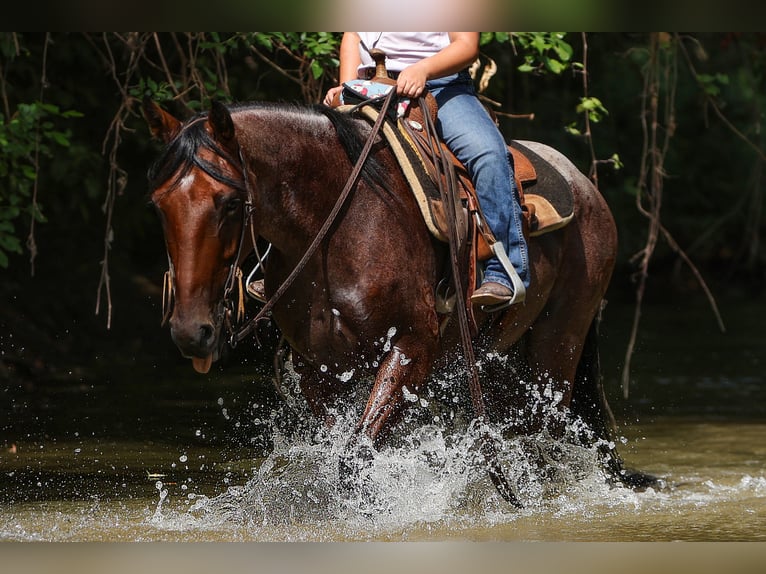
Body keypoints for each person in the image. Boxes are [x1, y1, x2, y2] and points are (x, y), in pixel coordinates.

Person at [324, 32, 529, 309]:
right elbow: (353, 33)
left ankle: (506, 268)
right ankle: (294, 265)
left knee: (488, 154)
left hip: (439, 88)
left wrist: (423, 69)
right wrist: (344, 84)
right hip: (365, 89)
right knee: (310, 150)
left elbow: (467, 46)